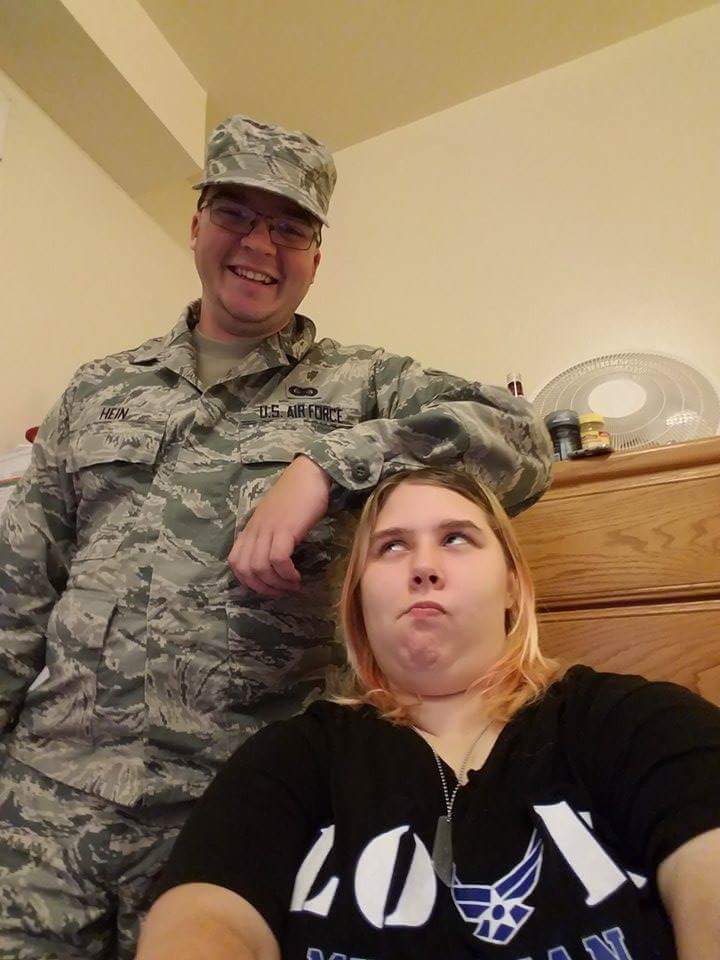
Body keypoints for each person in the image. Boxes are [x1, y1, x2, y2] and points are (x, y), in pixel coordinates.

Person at [0, 116, 554, 959]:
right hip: (48, 799)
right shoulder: (98, 390)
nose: (260, 244)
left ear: (316, 258)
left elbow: (524, 443)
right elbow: (19, 584)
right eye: (236, 213)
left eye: (290, 227)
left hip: (243, 807)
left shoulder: (362, 383)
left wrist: (330, 463)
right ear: (196, 226)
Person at [139, 467, 720, 960]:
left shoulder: (638, 723)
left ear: (512, 585)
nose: (423, 566)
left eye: (457, 538)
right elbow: (204, 917)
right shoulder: (291, 758)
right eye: (391, 547)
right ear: (359, 600)